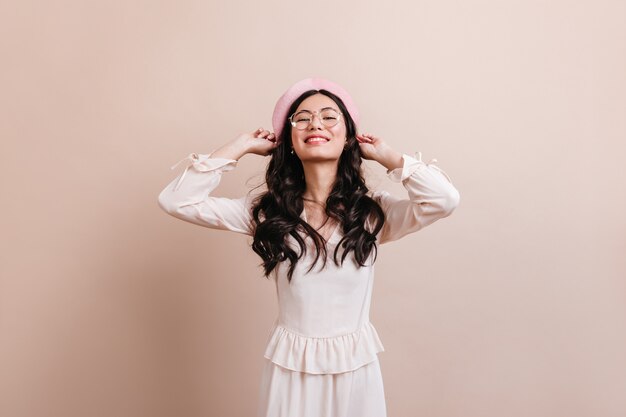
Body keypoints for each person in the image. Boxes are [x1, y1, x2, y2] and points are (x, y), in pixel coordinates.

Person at [157, 77, 460, 417]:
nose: (315, 122)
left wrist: (388, 156)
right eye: (302, 118)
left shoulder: (372, 212)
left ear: (350, 138)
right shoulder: (268, 213)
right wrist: (239, 146)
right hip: (290, 372)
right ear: (289, 140)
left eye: (329, 117)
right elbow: (176, 200)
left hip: (356, 371)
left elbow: (444, 200)